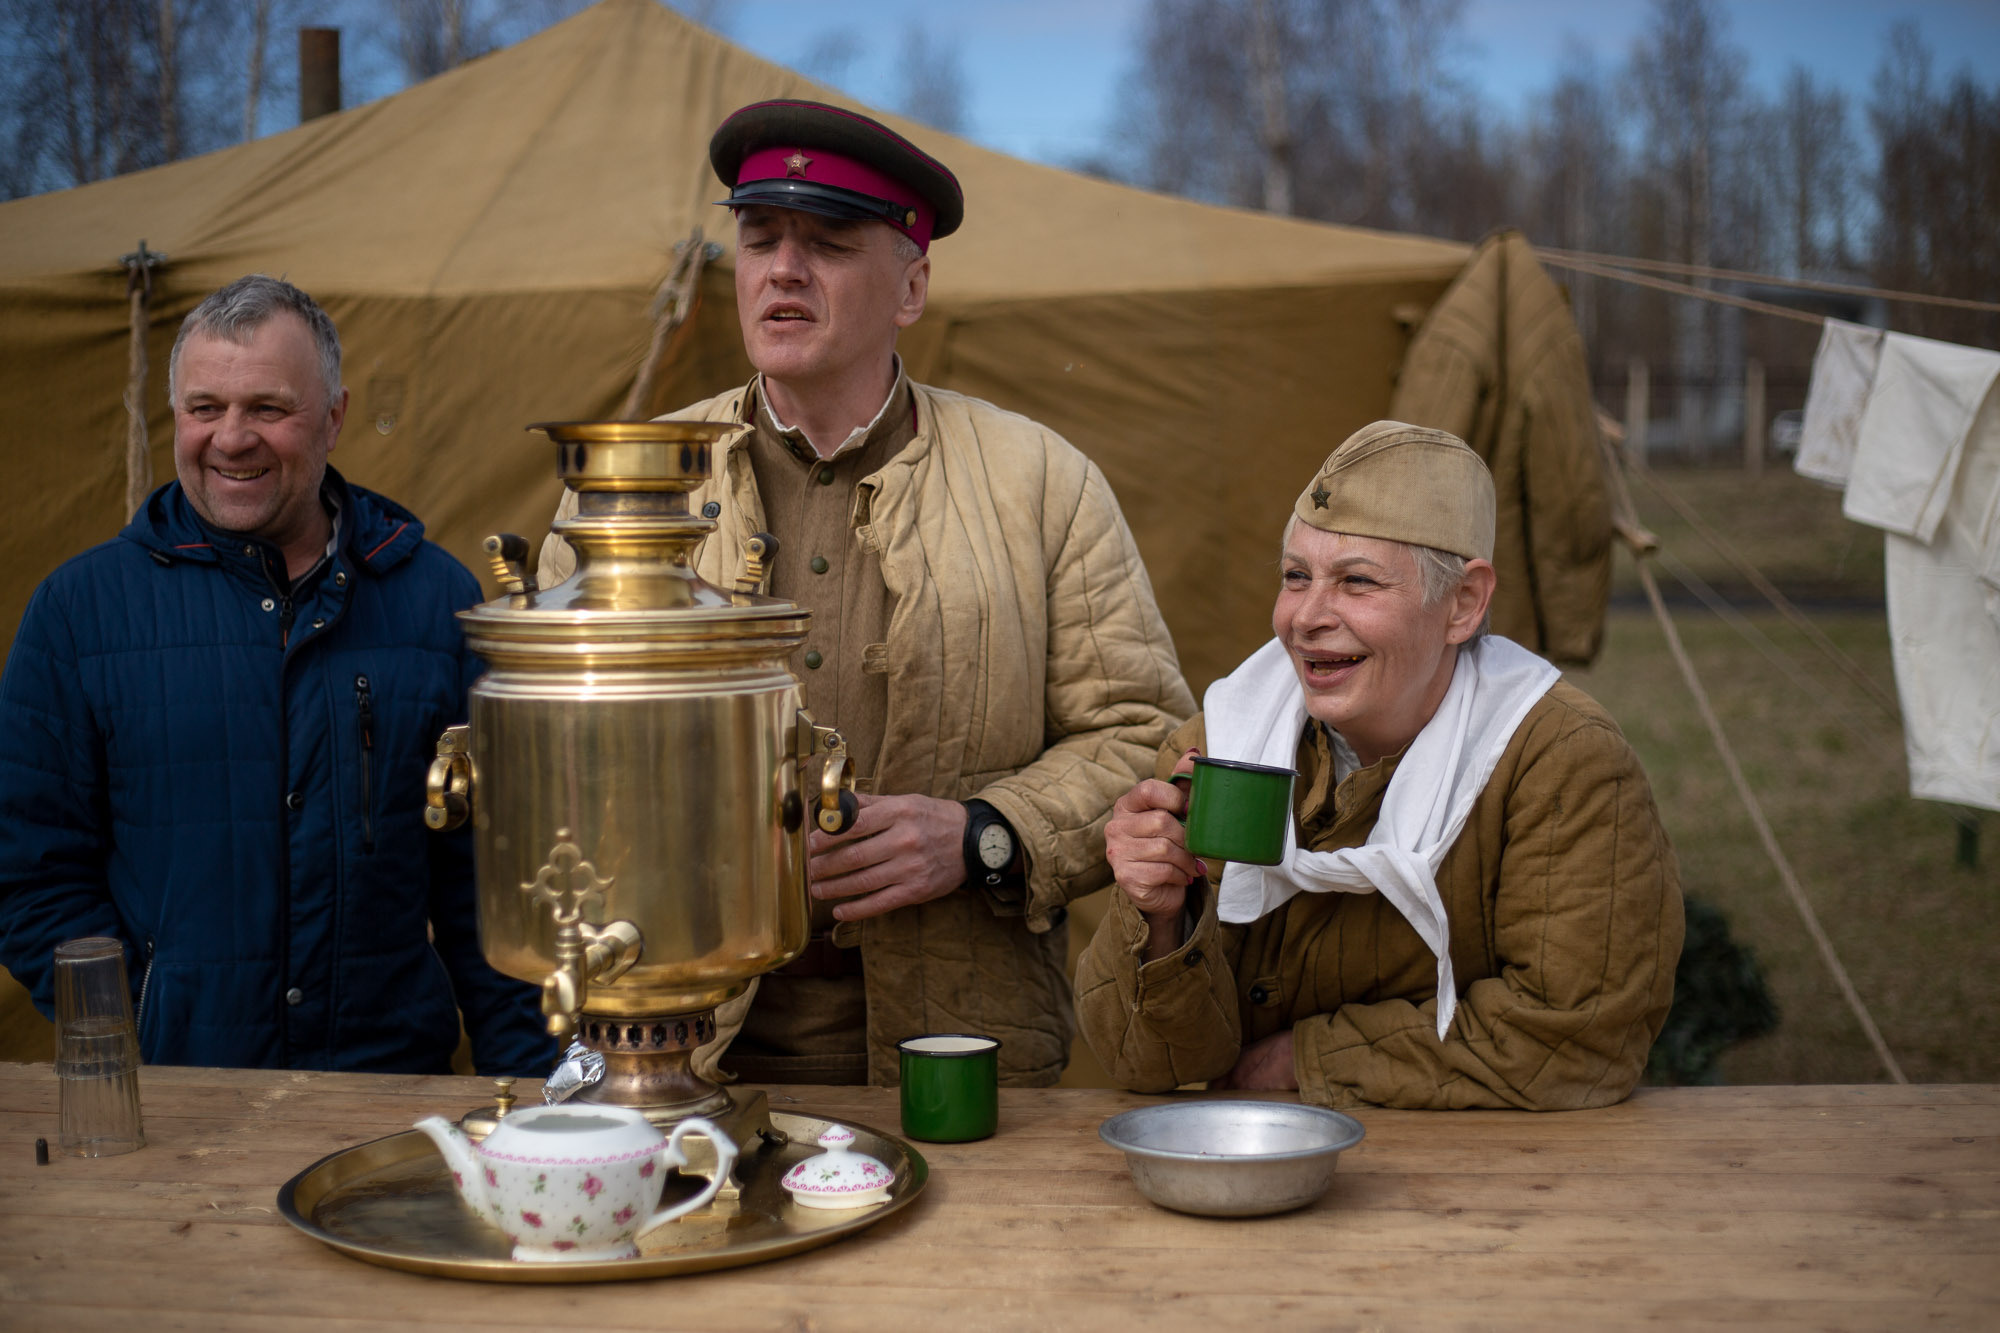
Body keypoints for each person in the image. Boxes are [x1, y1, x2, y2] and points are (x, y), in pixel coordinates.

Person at [539, 101, 1193, 1087]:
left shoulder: (1041, 481)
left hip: (964, 1061)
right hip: (673, 1053)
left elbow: (1142, 733)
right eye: (758, 241)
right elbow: (548, 752)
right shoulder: (627, 488)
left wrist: (983, 832)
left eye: (828, 245)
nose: (782, 270)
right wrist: (721, 853)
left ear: (911, 286)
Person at [0, 275, 551, 1076]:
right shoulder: (82, 612)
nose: (230, 437)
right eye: (204, 408)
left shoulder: (438, 603)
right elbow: (30, 873)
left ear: (334, 416)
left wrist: (536, 1098)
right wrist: (131, 1033)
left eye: (267, 408)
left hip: (383, 1101)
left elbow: (491, 889)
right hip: (172, 1103)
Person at [1076, 421, 1682, 1109]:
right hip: (1257, 1169)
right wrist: (1160, 919)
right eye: (1295, 576)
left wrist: (1303, 1060)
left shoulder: (1561, 766)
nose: (1306, 617)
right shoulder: (1222, 749)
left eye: (1356, 582)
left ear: (1463, 602)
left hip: (1486, 1186)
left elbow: (1580, 1036)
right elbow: (1145, 1063)